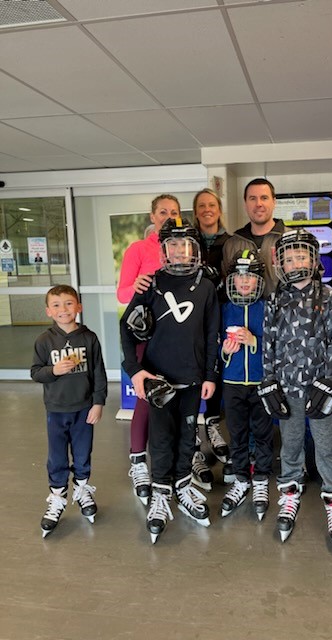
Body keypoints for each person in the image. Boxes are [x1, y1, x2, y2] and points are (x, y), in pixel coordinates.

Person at [120, 219, 220, 544]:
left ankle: (182, 486)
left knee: (187, 439)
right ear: (163, 249)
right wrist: (135, 370)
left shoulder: (206, 286)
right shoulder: (150, 283)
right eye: (173, 244)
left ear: (196, 248)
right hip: (158, 382)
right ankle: (160, 494)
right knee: (161, 440)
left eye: (185, 244)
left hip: (192, 379)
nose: (179, 250)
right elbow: (126, 328)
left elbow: (210, 335)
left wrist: (208, 376)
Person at [260, 229, 332, 553]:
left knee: (327, 444)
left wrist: (329, 383)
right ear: (281, 262)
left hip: (318, 388)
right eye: (291, 256)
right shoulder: (275, 299)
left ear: (314, 259)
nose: (297, 260)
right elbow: (267, 343)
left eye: (303, 255)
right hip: (287, 388)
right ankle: (289, 492)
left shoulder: (326, 296)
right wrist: (268, 381)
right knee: (291, 442)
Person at [117, 194, 180, 504]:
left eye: (174, 212)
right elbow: (121, 293)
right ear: (153, 216)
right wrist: (137, 284)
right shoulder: (139, 249)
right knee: (146, 396)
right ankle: (138, 461)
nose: (168, 216)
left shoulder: (183, 247)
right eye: (163, 212)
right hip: (146, 336)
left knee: (178, 397)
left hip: (177, 336)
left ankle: (182, 460)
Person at [31, 285, 107, 538]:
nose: (63, 309)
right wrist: (53, 371)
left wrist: (98, 402)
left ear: (78, 307)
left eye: (68, 303)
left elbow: (98, 372)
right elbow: (35, 372)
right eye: (56, 305)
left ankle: (83, 489)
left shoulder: (89, 338)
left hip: (84, 408)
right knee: (57, 456)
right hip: (56, 409)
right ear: (48, 311)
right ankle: (57, 497)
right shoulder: (44, 341)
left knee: (83, 452)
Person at [219, 250, 273, 521]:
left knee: (263, 433)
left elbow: (275, 347)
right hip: (232, 383)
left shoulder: (267, 308)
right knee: (237, 434)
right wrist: (226, 351)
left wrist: (254, 342)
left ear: (258, 281)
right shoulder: (224, 309)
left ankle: (261, 478)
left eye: (249, 277)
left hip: (261, 383)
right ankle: (241, 478)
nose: (243, 282)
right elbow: (217, 349)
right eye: (239, 277)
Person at [192, 188, 232, 486]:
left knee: (216, 368)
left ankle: (214, 424)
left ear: (219, 210)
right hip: (191, 315)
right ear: (196, 212)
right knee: (193, 369)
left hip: (220, 311)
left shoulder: (228, 242)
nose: (207, 209)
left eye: (212, 205)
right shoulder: (187, 242)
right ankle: (193, 430)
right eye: (202, 206)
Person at [222, 178, 285, 297]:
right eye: (252, 198)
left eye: (264, 198)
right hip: (246, 314)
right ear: (245, 203)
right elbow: (228, 286)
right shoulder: (231, 245)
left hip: (284, 314)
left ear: (274, 202)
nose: (258, 204)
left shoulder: (290, 239)